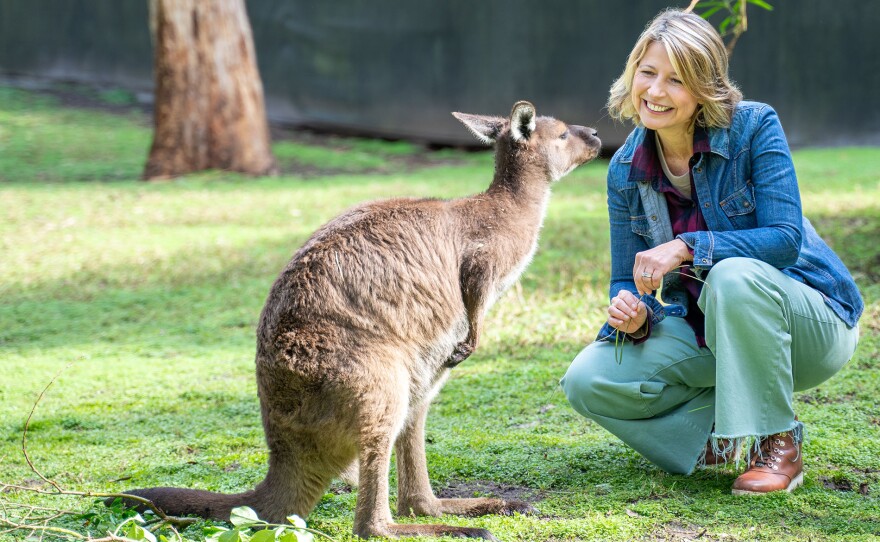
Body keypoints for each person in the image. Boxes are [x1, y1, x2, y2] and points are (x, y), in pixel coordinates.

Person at [560, 9, 863, 494]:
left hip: (810, 323)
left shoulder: (754, 127)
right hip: (709, 331)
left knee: (732, 275)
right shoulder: (624, 168)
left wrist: (686, 247)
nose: (655, 92)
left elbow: (784, 239)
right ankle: (716, 441)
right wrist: (632, 314)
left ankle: (776, 442)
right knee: (588, 379)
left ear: (704, 86)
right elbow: (624, 276)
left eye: (676, 79)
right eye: (648, 72)